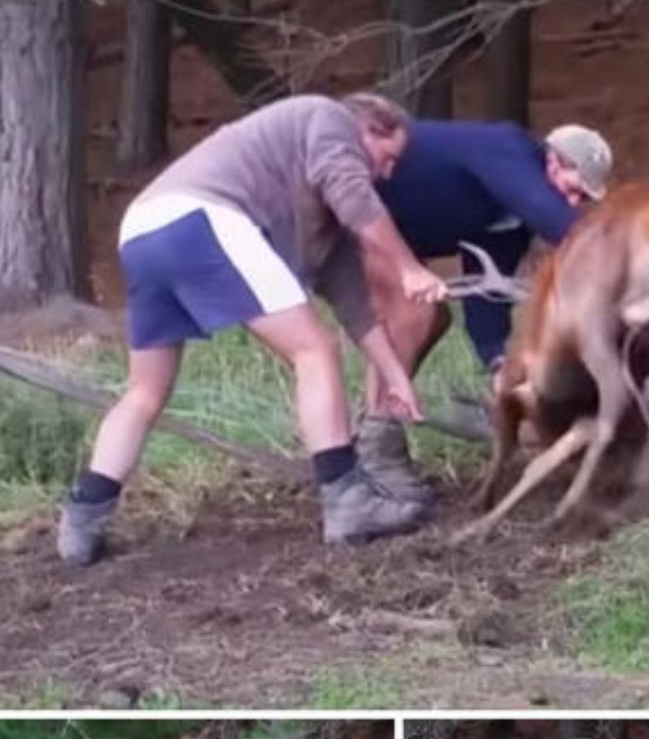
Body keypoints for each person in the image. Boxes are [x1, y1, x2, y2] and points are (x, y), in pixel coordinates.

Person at [58, 92, 447, 565]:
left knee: (144, 392)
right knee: (315, 350)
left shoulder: (317, 217)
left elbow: (355, 304)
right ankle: (348, 500)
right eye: (388, 158)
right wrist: (409, 269)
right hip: (198, 217)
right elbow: (353, 194)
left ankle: (83, 521)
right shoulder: (328, 118)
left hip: (143, 231)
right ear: (371, 127)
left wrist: (395, 376)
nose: (385, 174)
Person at [318, 118, 613, 499]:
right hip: (341, 207)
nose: (573, 203)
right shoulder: (509, 151)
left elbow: (485, 302)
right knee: (415, 312)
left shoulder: (509, 217)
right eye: (573, 191)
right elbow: (560, 223)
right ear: (553, 162)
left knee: (433, 317)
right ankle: (377, 454)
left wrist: (498, 368)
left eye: (583, 200)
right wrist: (625, 270)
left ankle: (372, 435)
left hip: (383, 229)